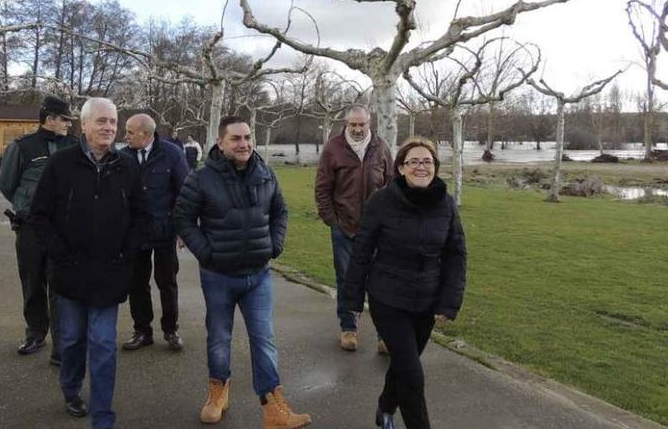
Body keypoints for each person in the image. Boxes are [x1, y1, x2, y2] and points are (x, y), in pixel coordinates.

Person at [173, 116, 311, 429]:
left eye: (248, 137)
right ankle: (218, 392)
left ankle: (273, 408)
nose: (244, 143)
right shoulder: (201, 178)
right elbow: (182, 219)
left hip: (258, 275)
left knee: (264, 339)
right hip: (218, 276)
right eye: (235, 138)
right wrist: (208, 253)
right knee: (220, 339)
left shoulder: (265, 172)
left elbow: (280, 210)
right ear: (220, 143)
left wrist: (274, 245)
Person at [28, 97, 146, 429]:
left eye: (112, 121)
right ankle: (70, 389)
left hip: (110, 275)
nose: (108, 127)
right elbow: (39, 216)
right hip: (70, 275)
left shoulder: (127, 166)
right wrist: (60, 255)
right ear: (84, 126)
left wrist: (127, 255)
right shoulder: (61, 164)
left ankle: (103, 415)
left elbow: (141, 216)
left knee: (105, 344)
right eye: (101, 121)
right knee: (72, 340)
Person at [342, 137, 467, 429]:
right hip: (388, 297)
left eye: (427, 161)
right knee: (412, 373)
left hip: (426, 299)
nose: (421, 167)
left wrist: (449, 301)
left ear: (435, 167)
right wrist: (352, 299)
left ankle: (385, 407)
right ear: (400, 168)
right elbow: (361, 251)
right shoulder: (381, 202)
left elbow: (456, 254)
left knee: (403, 364)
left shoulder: (446, 204)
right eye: (413, 161)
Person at [0, 95, 77, 363]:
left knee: (60, 285)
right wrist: (28, 206)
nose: (69, 124)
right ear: (50, 119)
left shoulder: (75, 146)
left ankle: (62, 343)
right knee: (32, 281)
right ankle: (35, 333)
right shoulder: (22, 147)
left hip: (63, 229)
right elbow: (7, 184)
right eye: (65, 119)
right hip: (31, 227)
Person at [315, 104, 394, 353]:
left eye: (362, 124)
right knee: (348, 280)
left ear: (369, 123)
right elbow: (322, 188)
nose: (358, 129)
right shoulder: (333, 148)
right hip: (344, 228)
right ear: (346, 124)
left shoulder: (381, 147)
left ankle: (385, 335)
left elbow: (392, 184)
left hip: (377, 230)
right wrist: (332, 220)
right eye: (353, 124)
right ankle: (348, 328)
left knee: (381, 282)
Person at [120, 114, 189, 352]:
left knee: (167, 282)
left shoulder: (172, 154)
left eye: (129, 132)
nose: (125, 136)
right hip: (135, 234)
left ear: (145, 134)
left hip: (164, 232)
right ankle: (142, 331)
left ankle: (171, 330)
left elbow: (184, 192)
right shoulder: (123, 156)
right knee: (136, 284)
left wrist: (183, 229)